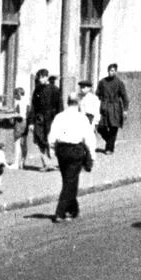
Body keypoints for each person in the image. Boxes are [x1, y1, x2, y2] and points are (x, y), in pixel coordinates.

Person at [46, 88, 99, 223]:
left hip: (62, 151)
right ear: (78, 103)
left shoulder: (60, 117)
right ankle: (60, 212)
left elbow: (52, 136)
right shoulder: (82, 118)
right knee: (70, 182)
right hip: (76, 151)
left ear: (67, 102)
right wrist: (92, 155)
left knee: (68, 180)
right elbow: (89, 138)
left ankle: (73, 209)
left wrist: (51, 150)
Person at [27, 71, 63, 172]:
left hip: (52, 118)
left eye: (43, 77)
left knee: (52, 140)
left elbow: (60, 106)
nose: (41, 80)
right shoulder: (37, 90)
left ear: (47, 77)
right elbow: (33, 106)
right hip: (40, 118)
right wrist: (31, 122)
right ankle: (46, 163)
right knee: (39, 139)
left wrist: (60, 120)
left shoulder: (54, 89)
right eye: (39, 78)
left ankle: (54, 163)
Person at [95, 64, 128, 154]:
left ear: (116, 71)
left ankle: (109, 149)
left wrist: (125, 110)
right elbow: (97, 94)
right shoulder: (102, 82)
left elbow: (124, 97)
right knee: (101, 127)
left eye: (113, 71)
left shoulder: (119, 83)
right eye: (109, 70)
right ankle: (110, 142)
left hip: (115, 107)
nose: (111, 72)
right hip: (105, 107)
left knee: (113, 128)